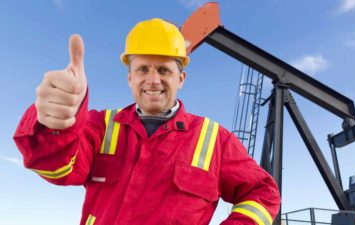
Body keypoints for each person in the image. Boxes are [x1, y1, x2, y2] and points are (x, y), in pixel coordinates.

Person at [13, 18, 280, 225]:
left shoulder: (215, 140)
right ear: (130, 78)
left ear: (181, 79)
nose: (153, 80)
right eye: (143, 69)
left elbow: (263, 192)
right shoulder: (100, 126)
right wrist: (55, 125)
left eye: (164, 69)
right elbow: (58, 171)